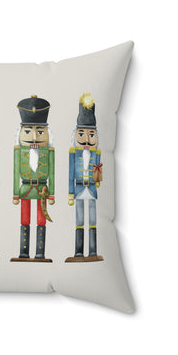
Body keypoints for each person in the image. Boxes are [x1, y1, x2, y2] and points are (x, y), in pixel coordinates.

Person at [11, 95, 55, 262]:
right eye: (28, 131)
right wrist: (16, 193)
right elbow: (16, 173)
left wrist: (52, 193)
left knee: (41, 220)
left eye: (40, 132)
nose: (34, 137)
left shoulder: (48, 152)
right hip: (25, 189)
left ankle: (40, 252)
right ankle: (23, 252)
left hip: (42, 189)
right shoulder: (19, 151)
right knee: (24, 220)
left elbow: (52, 173)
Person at [66, 93, 104, 262]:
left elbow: (99, 169)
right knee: (80, 220)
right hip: (79, 187)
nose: (87, 140)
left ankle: (93, 250)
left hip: (92, 188)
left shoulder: (96, 153)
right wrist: (70, 192)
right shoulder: (73, 154)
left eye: (91, 135)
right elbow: (70, 174)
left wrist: (98, 177)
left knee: (93, 220)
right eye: (81, 134)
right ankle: (79, 251)